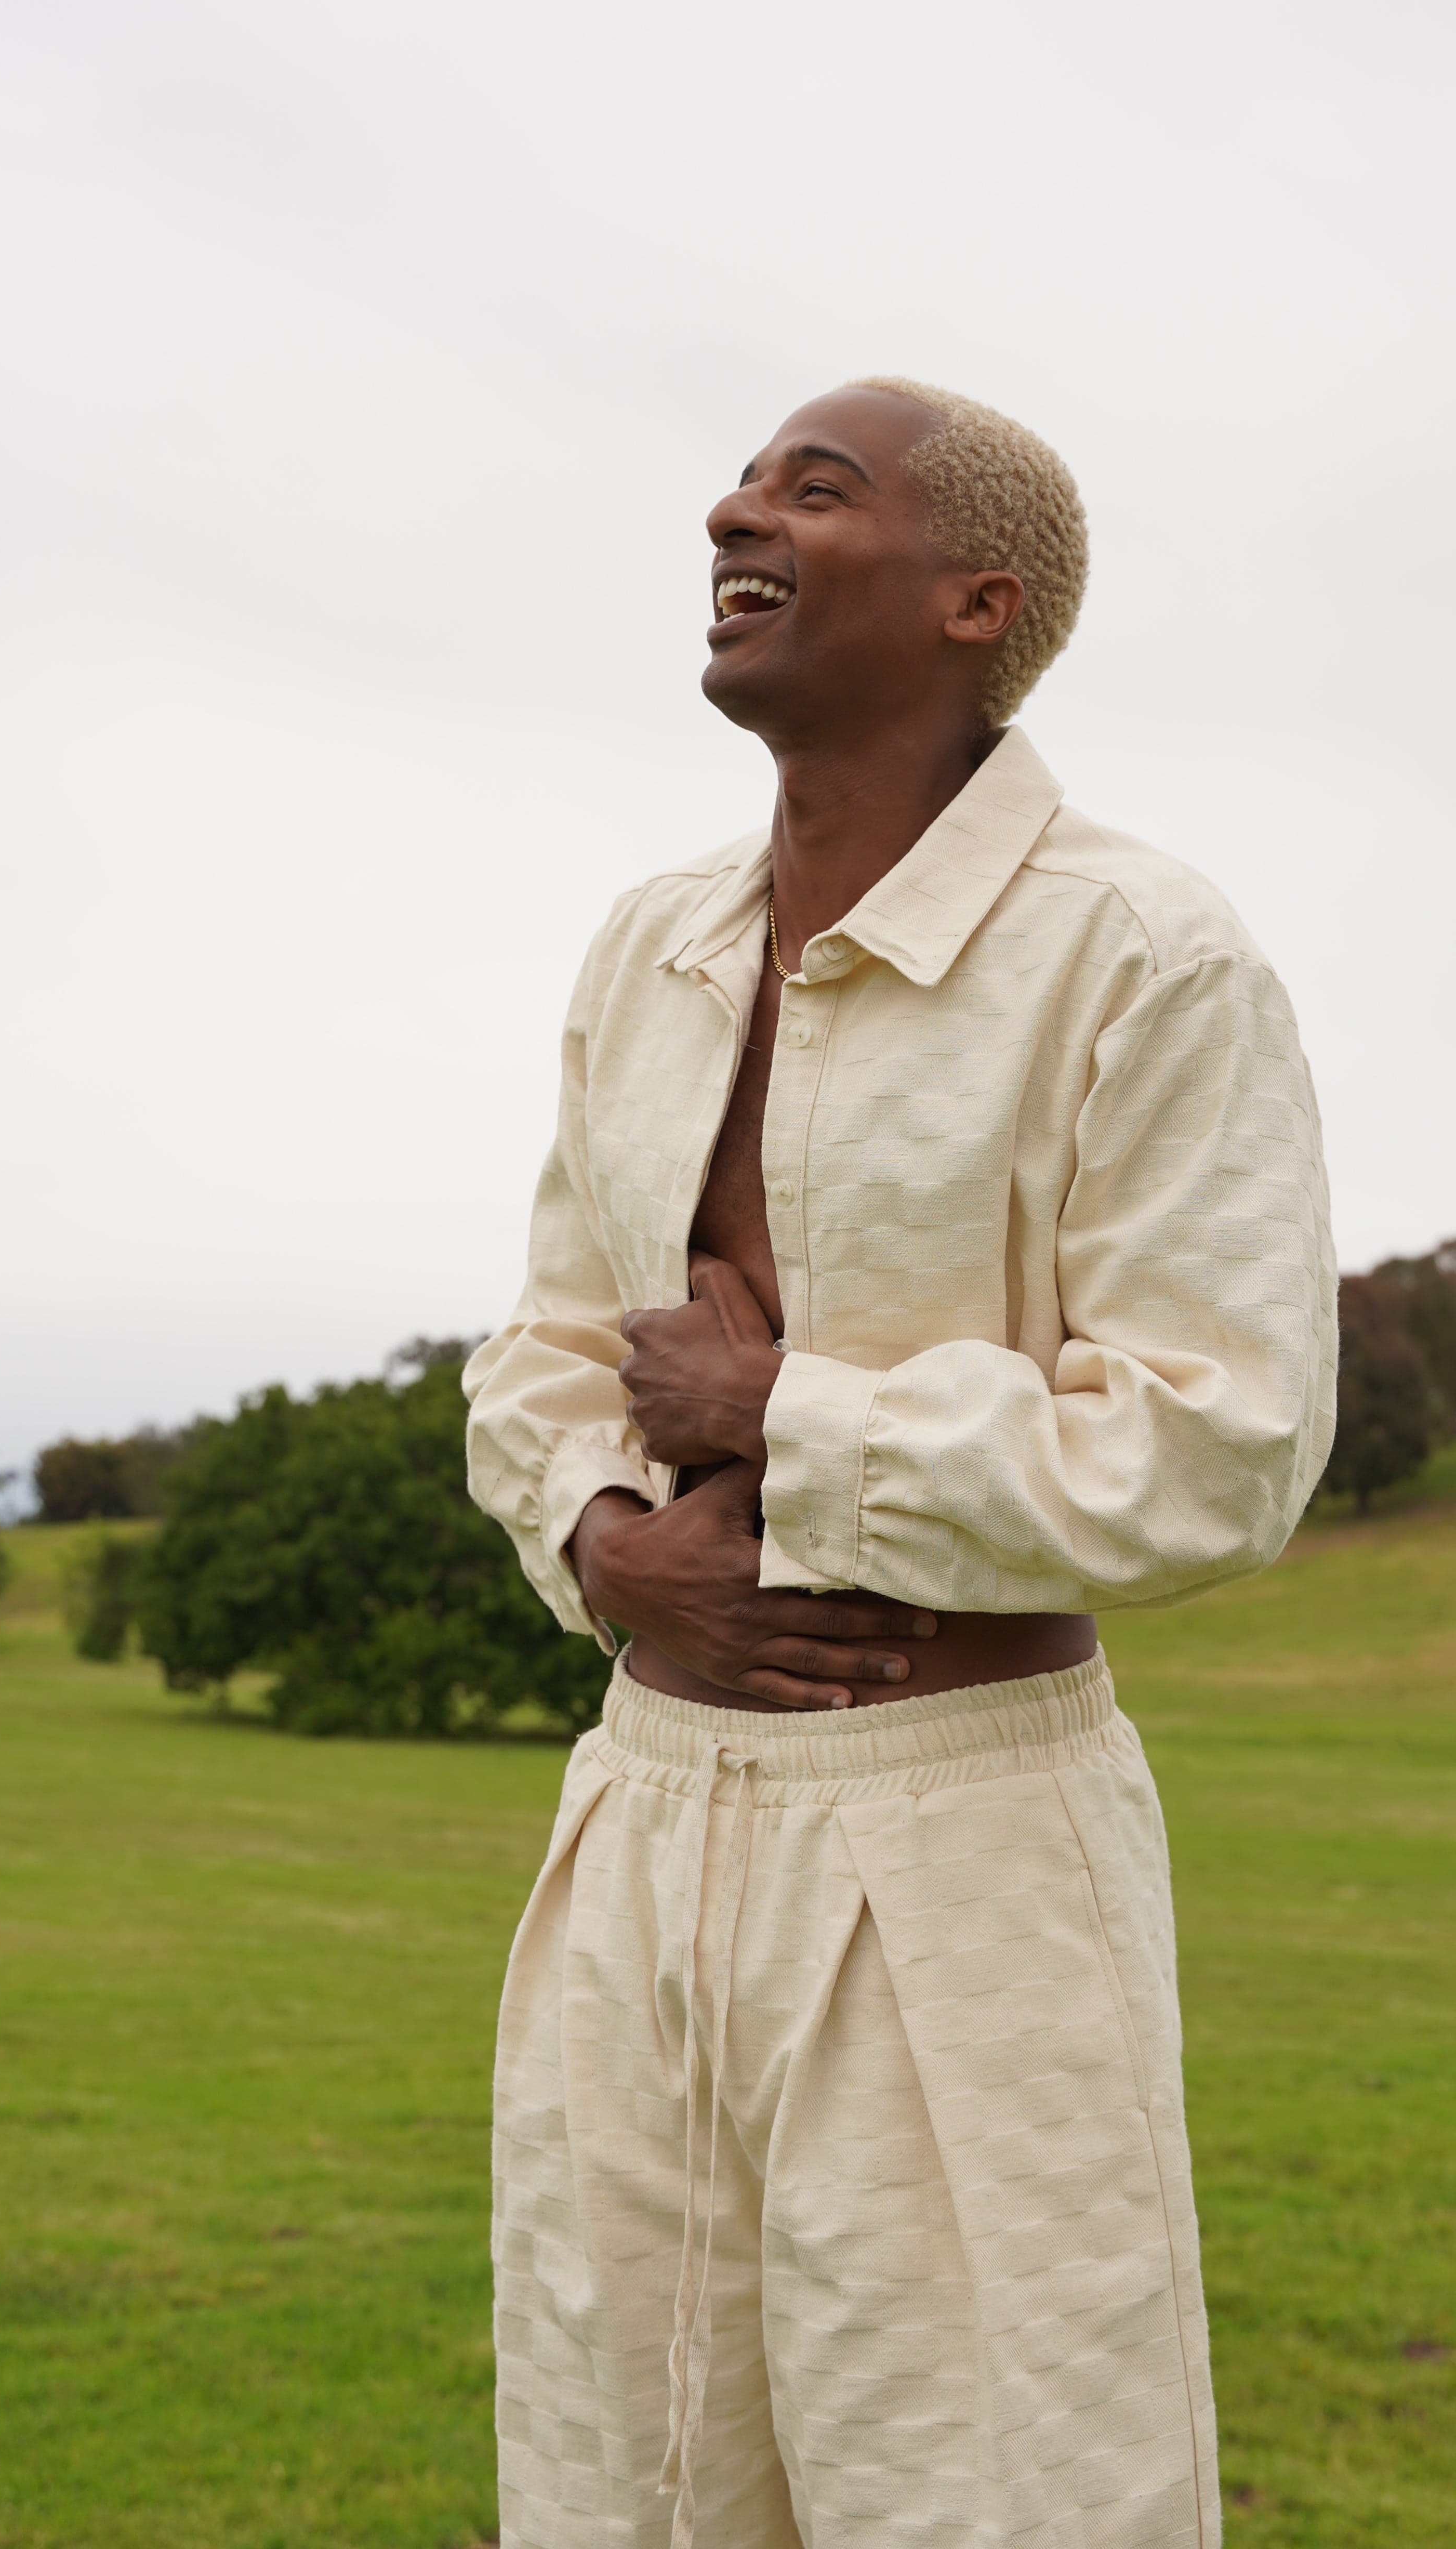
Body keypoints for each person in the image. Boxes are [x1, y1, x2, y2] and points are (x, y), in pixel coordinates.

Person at [464, 378, 1336, 2549]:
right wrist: (605, 1547)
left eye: (808, 491)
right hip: (641, 1821)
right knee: (619, 2474)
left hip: (963, 1839)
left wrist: (796, 1417)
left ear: (979, 600)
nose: (730, 510)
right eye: (748, 480)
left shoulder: (1142, 952)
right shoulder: (649, 950)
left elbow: (1221, 1442)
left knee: (996, 2485)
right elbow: (553, 1346)